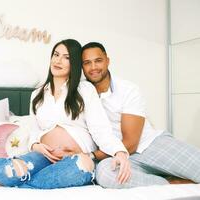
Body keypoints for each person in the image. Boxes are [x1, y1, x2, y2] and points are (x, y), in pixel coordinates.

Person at [0, 39, 130, 189]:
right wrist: (36, 145)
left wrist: (120, 152)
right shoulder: (37, 94)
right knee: (14, 168)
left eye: (66, 57)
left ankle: (10, 183)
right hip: (43, 156)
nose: (58, 60)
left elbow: (101, 130)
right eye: (56, 54)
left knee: (83, 167)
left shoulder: (85, 90)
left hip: (74, 160)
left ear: (74, 63)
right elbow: (34, 130)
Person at [81, 42, 200, 188]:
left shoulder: (128, 89)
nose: (93, 67)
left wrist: (92, 155)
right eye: (87, 63)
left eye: (98, 61)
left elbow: (131, 144)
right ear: (82, 67)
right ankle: (173, 182)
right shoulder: (82, 94)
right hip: (121, 157)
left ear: (107, 61)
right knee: (104, 173)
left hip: (150, 145)